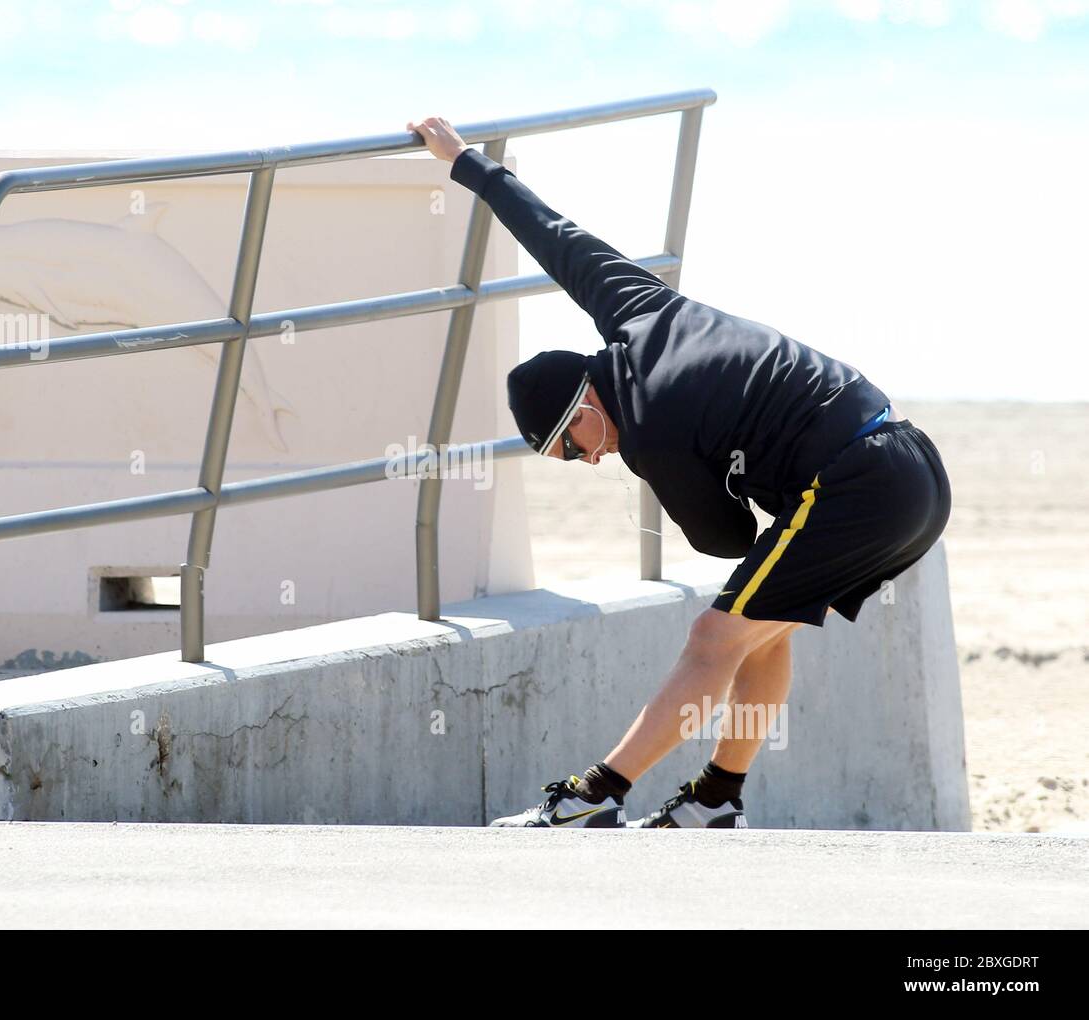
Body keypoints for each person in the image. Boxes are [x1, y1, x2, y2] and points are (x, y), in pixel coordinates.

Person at [407, 115, 952, 828]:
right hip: (911, 468)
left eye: (569, 448)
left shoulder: (654, 435)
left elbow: (724, 539)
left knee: (713, 636)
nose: (586, 461)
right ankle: (717, 801)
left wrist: (696, 469)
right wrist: (468, 163)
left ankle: (594, 795)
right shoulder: (639, 309)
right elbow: (556, 237)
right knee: (765, 628)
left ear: (583, 406)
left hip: (858, 484)